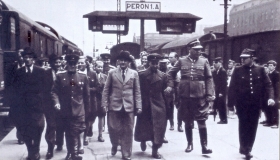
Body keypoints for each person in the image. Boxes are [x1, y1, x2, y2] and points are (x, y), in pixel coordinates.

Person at [165, 40, 215, 154]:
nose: (199, 51)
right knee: (187, 121)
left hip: (200, 95)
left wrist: (209, 94)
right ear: (190, 49)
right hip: (185, 95)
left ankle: (204, 146)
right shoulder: (182, 61)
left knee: (202, 120)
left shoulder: (204, 61)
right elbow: (170, 73)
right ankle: (189, 144)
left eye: (200, 49)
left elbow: (209, 78)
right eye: (196, 49)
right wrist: (171, 86)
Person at [228, 48, 275, 159]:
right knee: (243, 125)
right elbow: (232, 88)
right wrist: (230, 104)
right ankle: (244, 147)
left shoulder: (261, 70)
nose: (242, 60)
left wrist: (271, 97)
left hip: (255, 104)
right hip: (242, 104)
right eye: (241, 58)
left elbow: (268, 85)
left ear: (252, 58)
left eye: (245, 58)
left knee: (253, 126)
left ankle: (248, 148)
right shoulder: (237, 70)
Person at [102, 50, 142, 160]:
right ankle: (115, 144)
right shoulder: (112, 73)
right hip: (114, 105)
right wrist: (104, 104)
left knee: (128, 130)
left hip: (129, 106)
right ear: (118, 61)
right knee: (114, 129)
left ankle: (126, 154)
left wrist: (138, 106)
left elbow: (137, 91)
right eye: (121, 60)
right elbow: (106, 90)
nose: (123, 62)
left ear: (129, 62)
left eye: (125, 60)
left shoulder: (134, 73)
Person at [51, 52, 90, 160]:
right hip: (65, 109)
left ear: (77, 64)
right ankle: (71, 153)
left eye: (74, 64)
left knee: (76, 131)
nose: (73, 66)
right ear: (67, 64)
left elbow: (87, 96)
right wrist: (57, 102)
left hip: (79, 109)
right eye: (71, 64)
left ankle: (74, 153)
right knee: (69, 132)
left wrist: (87, 111)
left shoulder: (83, 77)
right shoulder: (60, 76)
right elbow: (54, 92)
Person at [12, 47, 45, 160]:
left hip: (37, 107)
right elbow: (15, 89)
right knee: (24, 130)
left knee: (37, 129)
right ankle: (31, 151)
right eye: (25, 57)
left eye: (30, 57)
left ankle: (36, 150)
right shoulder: (18, 73)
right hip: (23, 107)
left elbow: (45, 89)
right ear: (23, 59)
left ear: (33, 59)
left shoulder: (40, 71)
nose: (27, 60)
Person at [135, 53, 169, 159]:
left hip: (159, 105)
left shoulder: (163, 76)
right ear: (149, 63)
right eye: (153, 63)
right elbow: (138, 91)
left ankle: (155, 150)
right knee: (144, 126)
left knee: (159, 128)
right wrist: (138, 105)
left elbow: (164, 93)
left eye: (157, 63)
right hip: (146, 104)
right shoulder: (141, 75)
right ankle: (143, 140)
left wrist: (167, 107)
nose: (155, 65)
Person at [77, 56, 98, 153]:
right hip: (79, 101)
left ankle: (86, 133)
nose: (80, 64)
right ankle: (83, 138)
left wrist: (88, 90)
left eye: (82, 63)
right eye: (79, 63)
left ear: (86, 64)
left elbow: (97, 87)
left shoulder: (92, 74)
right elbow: (72, 86)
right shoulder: (75, 74)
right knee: (82, 120)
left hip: (91, 101)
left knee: (90, 119)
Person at [43, 54, 63, 159]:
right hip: (49, 105)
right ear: (51, 63)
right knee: (51, 125)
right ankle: (50, 148)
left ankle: (59, 143)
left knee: (60, 124)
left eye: (60, 62)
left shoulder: (65, 73)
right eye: (56, 62)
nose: (58, 64)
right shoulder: (45, 74)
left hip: (62, 104)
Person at [167, 52, 183, 132]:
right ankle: (171, 124)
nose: (169, 59)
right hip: (171, 88)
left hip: (179, 87)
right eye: (169, 57)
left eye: (171, 57)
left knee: (180, 107)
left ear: (176, 57)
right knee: (170, 107)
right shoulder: (168, 67)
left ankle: (180, 125)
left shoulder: (181, 66)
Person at [263, 60, 279, 128]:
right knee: (267, 107)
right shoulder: (268, 74)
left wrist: (277, 95)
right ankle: (269, 121)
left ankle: (275, 123)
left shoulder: (277, 74)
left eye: (271, 65)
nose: (270, 67)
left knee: (274, 108)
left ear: (274, 66)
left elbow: (277, 85)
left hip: (275, 93)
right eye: (269, 65)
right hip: (268, 93)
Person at [94, 61, 108, 142]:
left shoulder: (105, 76)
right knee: (90, 117)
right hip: (93, 98)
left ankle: (100, 135)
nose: (100, 68)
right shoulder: (91, 75)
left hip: (101, 99)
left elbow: (107, 88)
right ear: (94, 67)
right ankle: (88, 133)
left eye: (101, 67)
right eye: (98, 66)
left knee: (101, 116)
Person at [212, 57, 228, 124]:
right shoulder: (216, 71)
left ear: (220, 63)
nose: (214, 64)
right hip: (217, 90)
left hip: (222, 91)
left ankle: (224, 119)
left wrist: (221, 92)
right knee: (219, 104)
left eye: (216, 62)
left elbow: (224, 83)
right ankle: (221, 118)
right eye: (214, 63)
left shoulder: (223, 71)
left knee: (222, 105)